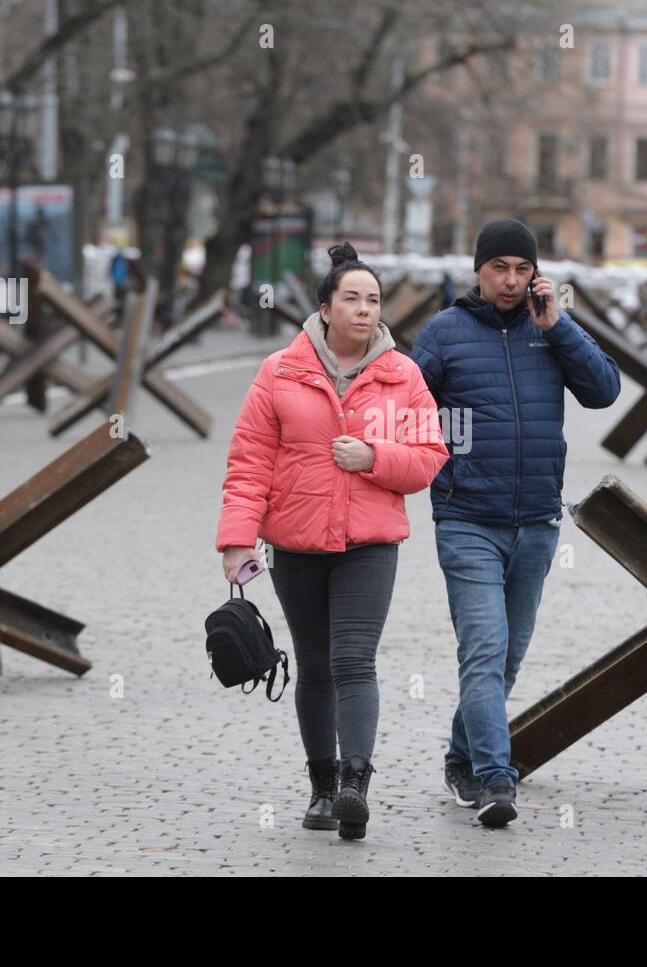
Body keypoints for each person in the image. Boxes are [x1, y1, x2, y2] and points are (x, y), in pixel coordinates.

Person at [216, 241, 448, 841]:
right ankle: (321, 788)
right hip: (295, 545)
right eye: (352, 298)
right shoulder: (279, 371)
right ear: (324, 308)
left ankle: (354, 785)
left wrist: (374, 456)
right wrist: (237, 541)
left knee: (353, 660)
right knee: (316, 666)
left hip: (370, 545)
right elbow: (249, 463)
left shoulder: (404, 375)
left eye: (373, 300)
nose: (365, 309)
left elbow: (428, 459)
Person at [409, 218, 621, 827]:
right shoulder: (444, 334)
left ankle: (460, 759)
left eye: (521, 269)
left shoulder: (549, 330)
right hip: (467, 521)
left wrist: (560, 327)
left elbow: (605, 391)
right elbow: (401, 407)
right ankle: (496, 780)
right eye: (498, 267)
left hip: (536, 522)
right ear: (478, 271)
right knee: (484, 649)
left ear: (537, 275)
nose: (509, 279)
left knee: (506, 658)